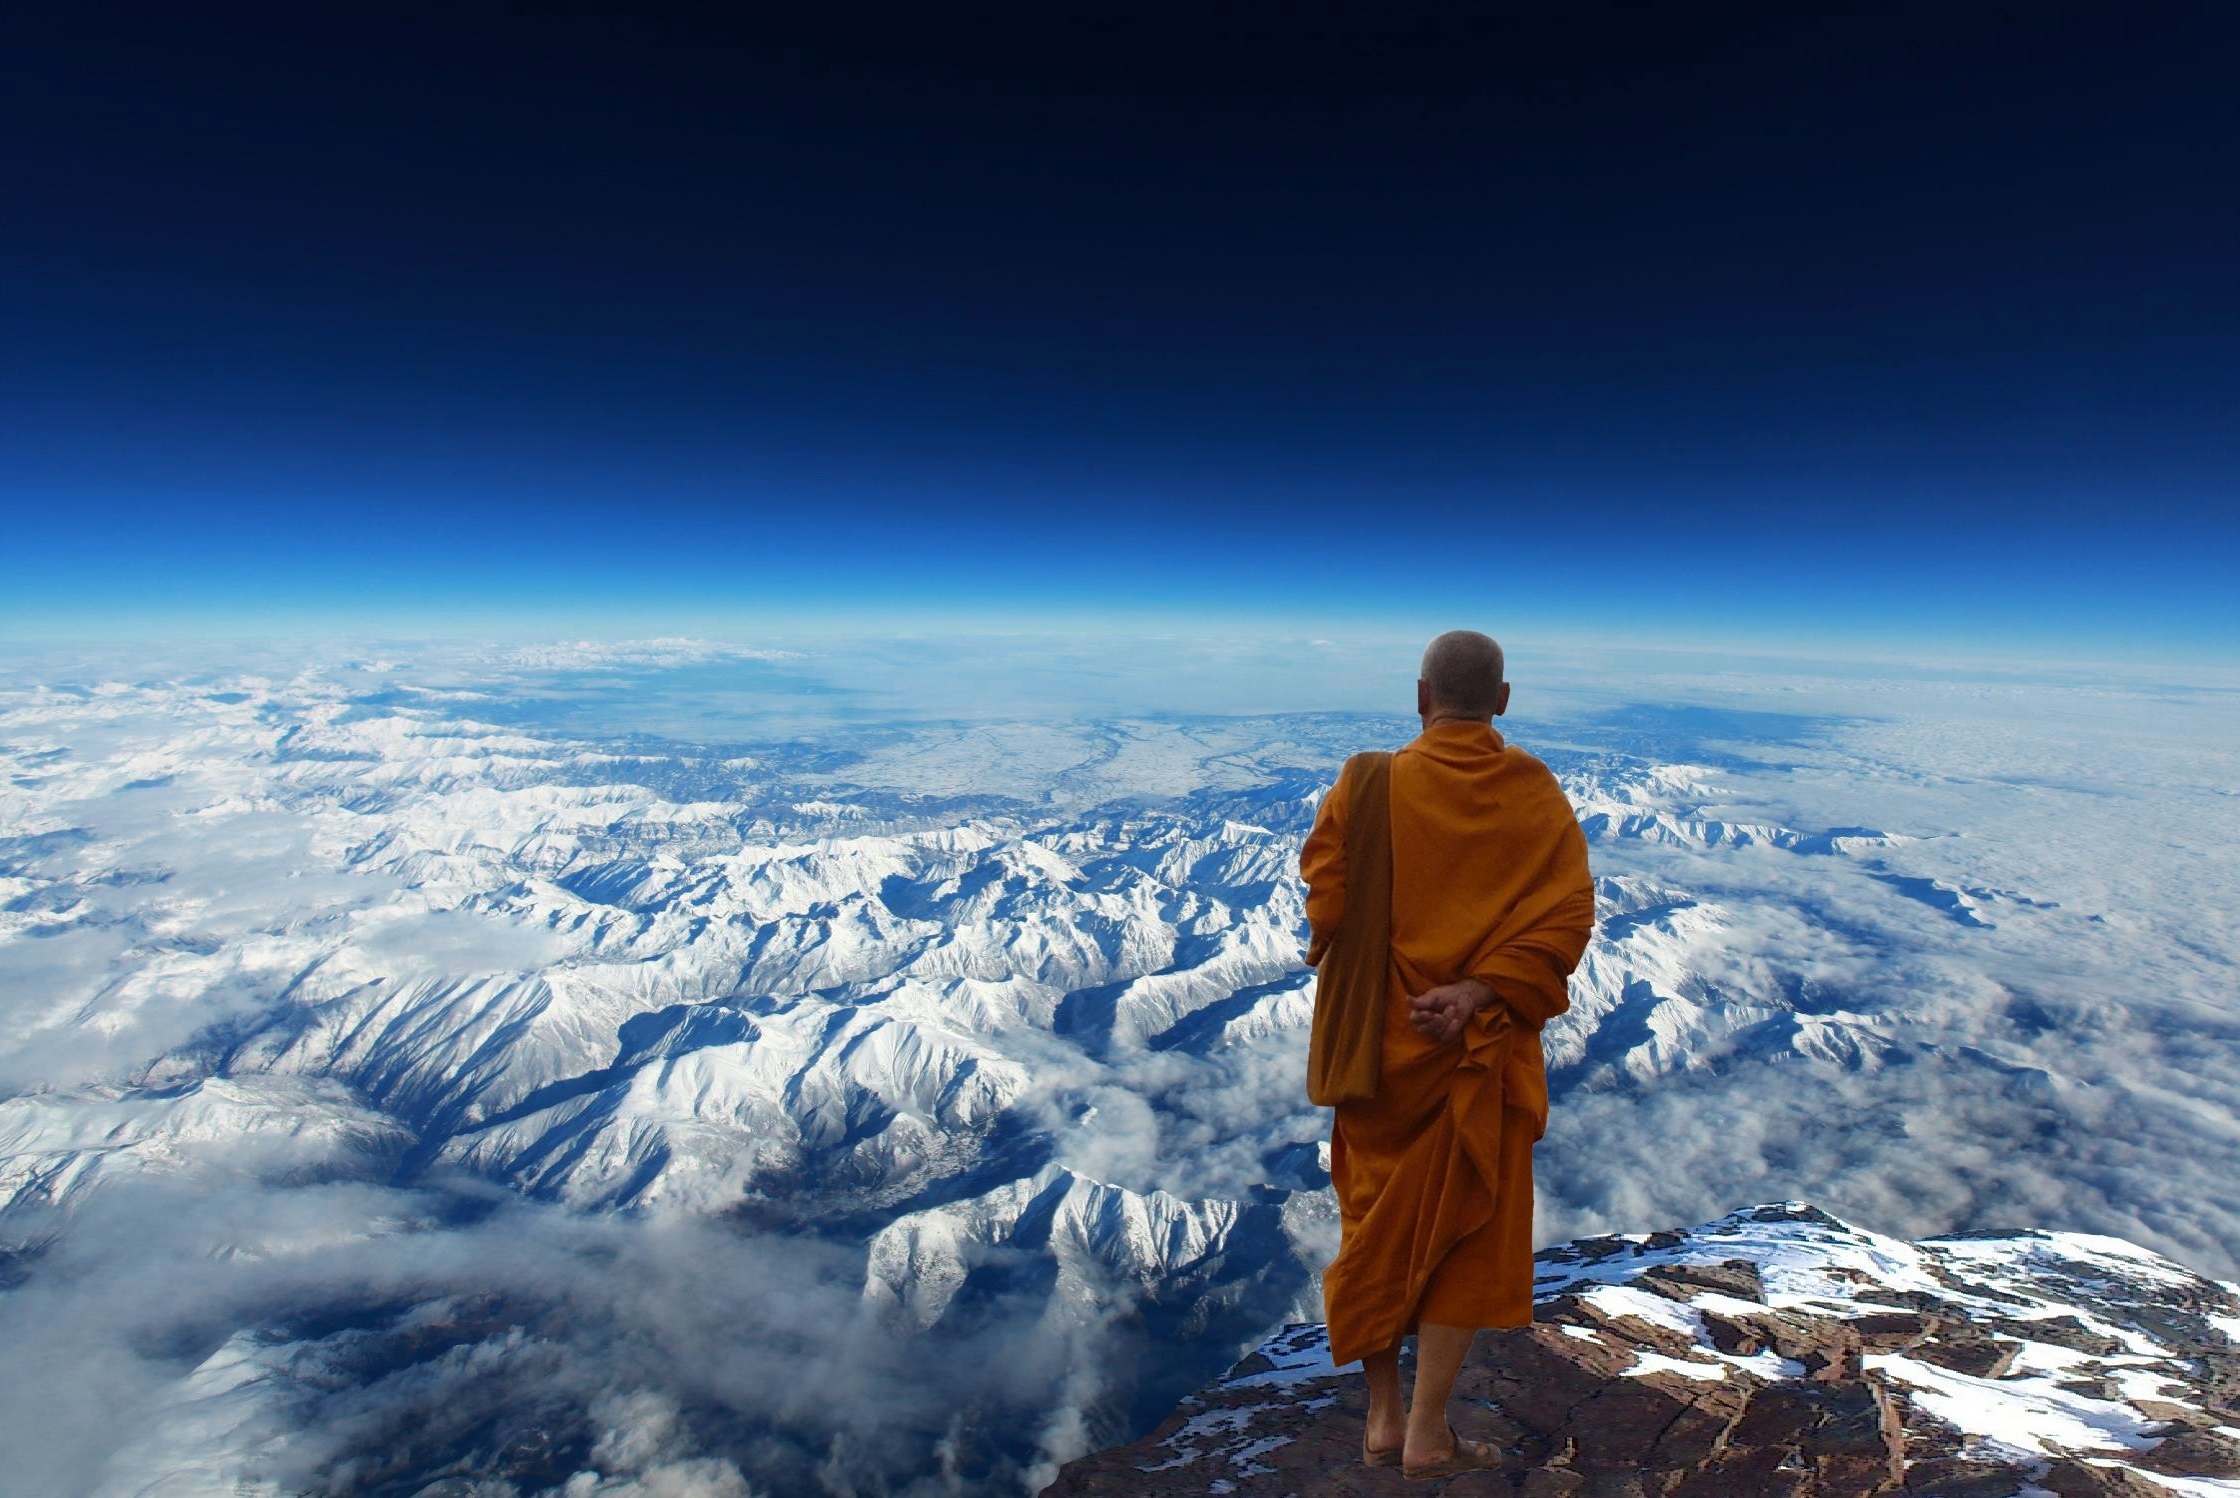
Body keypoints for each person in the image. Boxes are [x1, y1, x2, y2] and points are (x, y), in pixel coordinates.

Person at [1299, 629, 1596, 1481]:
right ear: (1502, 700)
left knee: (1373, 1225)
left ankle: (1385, 1417)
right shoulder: (1533, 791)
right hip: (1476, 1049)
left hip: (1379, 1054)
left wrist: (1341, 947)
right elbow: (1566, 916)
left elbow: (1328, 903)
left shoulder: (1368, 783)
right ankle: (1430, 1431)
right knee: (1464, 1228)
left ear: (1421, 696)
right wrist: (1478, 992)